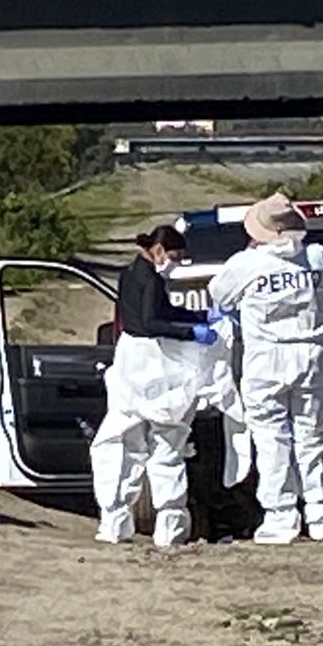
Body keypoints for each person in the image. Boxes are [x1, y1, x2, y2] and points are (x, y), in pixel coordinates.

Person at [209, 194, 323, 544]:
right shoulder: (315, 257)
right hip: (310, 356)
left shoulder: (246, 264)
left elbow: (220, 295)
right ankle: (321, 514)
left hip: (266, 359)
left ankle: (280, 517)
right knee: (311, 436)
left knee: (271, 439)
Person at [90, 225, 224, 547]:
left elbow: (158, 313)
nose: (176, 263)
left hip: (131, 361)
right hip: (150, 360)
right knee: (167, 440)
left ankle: (114, 523)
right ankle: (169, 528)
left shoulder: (130, 274)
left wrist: (198, 316)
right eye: (175, 257)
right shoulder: (149, 278)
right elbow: (150, 323)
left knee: (123, 440)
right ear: (160, 251)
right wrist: (192, 333)